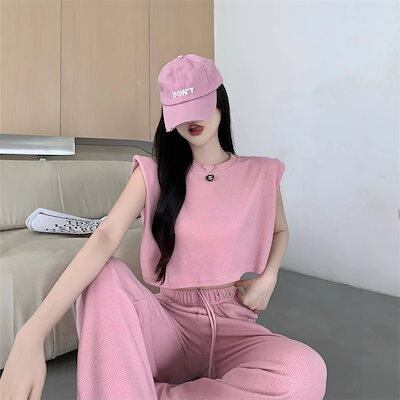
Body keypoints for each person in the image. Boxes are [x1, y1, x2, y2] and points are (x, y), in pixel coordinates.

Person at [0, 53, 327, 400]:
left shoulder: (261, 173)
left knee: (304, 373)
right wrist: (31, 334)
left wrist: (269, 276)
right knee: (105, 276)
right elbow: (105, 236)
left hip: (234, 328)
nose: (191, 121)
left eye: (198, 107)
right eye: (180, 111)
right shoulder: (154, 174)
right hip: (168, 328)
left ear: (219, 100)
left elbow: (280, 230)